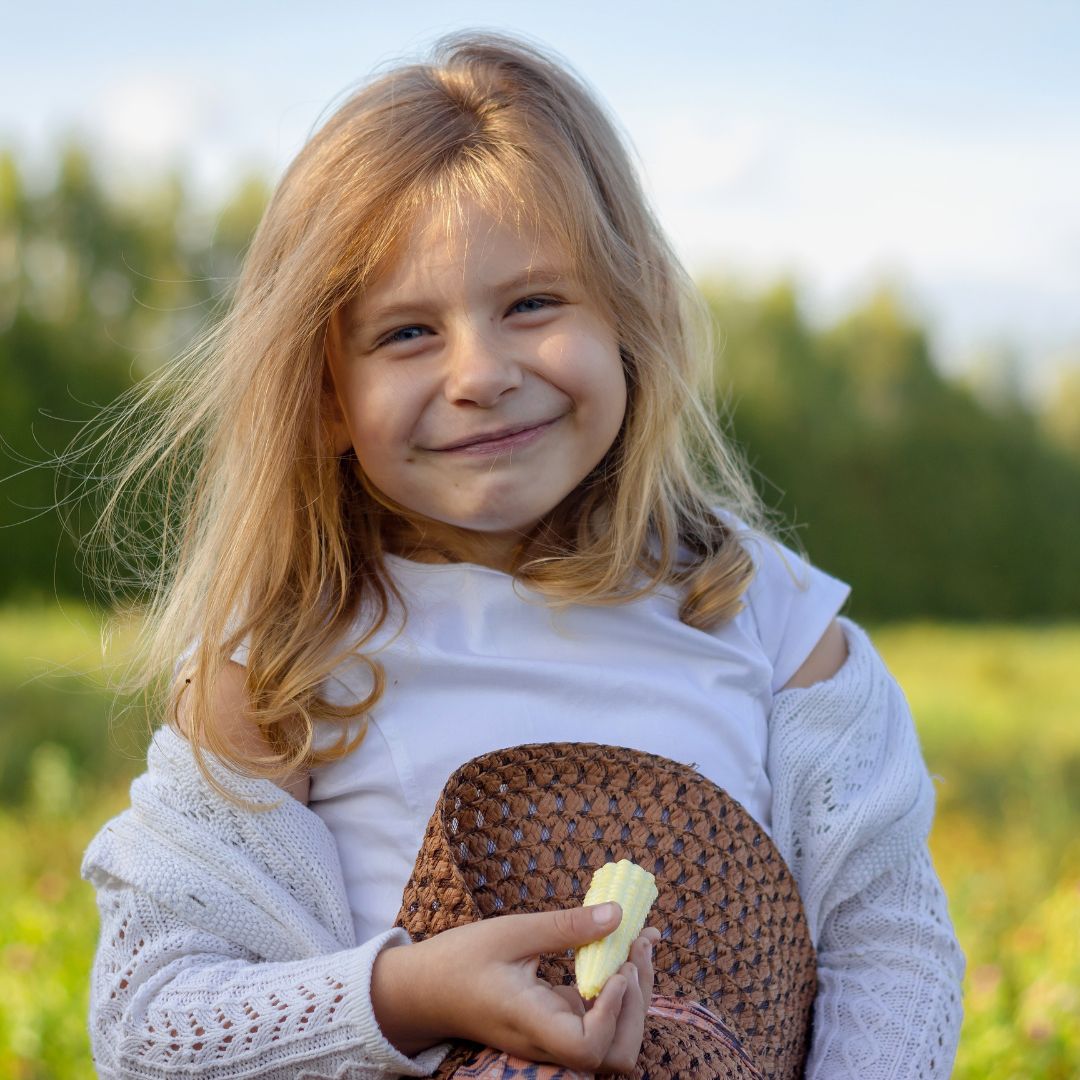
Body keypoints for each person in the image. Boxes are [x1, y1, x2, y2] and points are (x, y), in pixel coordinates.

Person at [81, 31, 964, 1079]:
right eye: (407, 333)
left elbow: (890, 943)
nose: (481, 374)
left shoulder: (769, 622)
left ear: (631, 320)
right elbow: (149, 1022)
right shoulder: (279, 672)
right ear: (325, 396)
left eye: (532, 304)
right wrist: (407, 995)